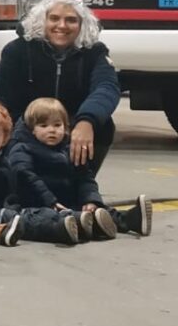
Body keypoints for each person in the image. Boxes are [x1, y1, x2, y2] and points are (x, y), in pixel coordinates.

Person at [0, 0, 120, 177]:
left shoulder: (95, 52)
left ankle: (82, 185)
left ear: (81, 24)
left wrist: (86, 121)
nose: (62, 26)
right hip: (26, 129)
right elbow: (1, 100)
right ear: (42, 20)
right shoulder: (16, 50)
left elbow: (107, 87)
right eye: (54, 18)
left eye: (71, 20)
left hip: (70, 128)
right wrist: (26, 131)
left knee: (104, 125)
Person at [9, 98, 151, 241]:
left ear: (65, 127)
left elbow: (85, 178)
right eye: (43, 125)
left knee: (98, 210)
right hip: (37, 202)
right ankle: (84, 226)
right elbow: (26, 177)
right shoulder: (22, 149)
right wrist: (49, 200)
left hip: (68, 202)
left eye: (57, 125)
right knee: (45, 217)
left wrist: (91, 200)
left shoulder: (68, 149)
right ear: (32, 129)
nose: (51, 130)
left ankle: (131, 220)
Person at [0, 99, 79, 245]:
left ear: (5, 139)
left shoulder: (1, 159)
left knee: (33, 213)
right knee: (25, 221)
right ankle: (60, 228)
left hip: (3, 206)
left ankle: (75, 220)